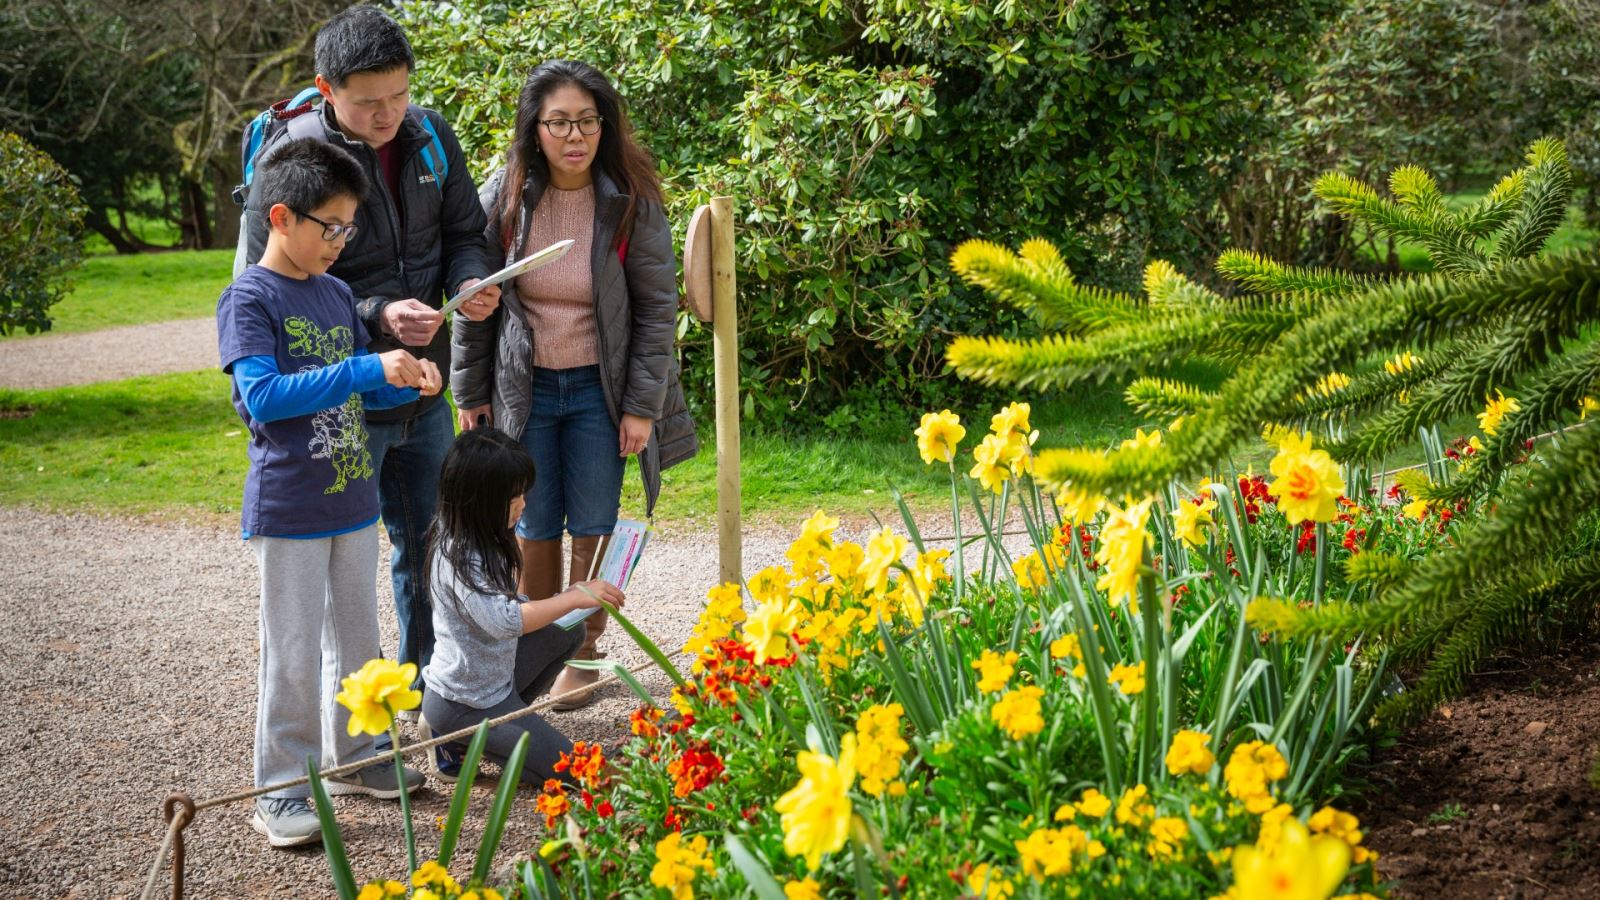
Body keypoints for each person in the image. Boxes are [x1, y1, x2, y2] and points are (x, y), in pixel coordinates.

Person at [243, 5, 499, 698]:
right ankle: (350, 721)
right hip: (342, 397)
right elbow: (273, 289)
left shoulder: (430, 135)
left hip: (424, 385)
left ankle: (422, 699)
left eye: (401, 94)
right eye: (368, 103)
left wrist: (470, 278)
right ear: (326, 89)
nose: (389, 114)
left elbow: (465, 232)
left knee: (431, 550)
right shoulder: (290, 159)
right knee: (344, 574)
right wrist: (377, 312)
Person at [452, 60, 698, 710]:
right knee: (531, 521)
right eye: (559, 121)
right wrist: (468, 392)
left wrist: (642, 407)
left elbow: (654, 310)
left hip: (601, 389)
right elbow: (477, 299)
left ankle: (582, 652)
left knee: (593, 520)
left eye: (587, 121)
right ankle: (537, 652)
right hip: (522, 388)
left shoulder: (629, 200)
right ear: (535, 129)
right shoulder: (504, 195)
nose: (574, 135)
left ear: (604, 125)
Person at [217, 138, 436, 848]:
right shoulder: (249, 295)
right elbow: (263, 396)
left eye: (349, 227)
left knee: (358, 642)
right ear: (281, 217)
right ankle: (280, 788)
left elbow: (356, 378)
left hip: (353, 498)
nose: (341, 242)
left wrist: (407, 376)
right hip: (291, 508)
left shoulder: (337, 293)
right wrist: (369, 368)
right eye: (329, 226)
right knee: (292, 651)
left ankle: (359, 756)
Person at [418, 428, 625, 783]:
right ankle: (454, 735)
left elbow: (510, 607)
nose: (523, 504)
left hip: (495, 684)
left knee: (567, 629)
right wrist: (574, 595)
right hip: (466, 702)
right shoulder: (457, 555)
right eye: (513, 497)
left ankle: (505, 728)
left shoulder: (482, 533)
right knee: (583, 774)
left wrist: (571, 601)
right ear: (478, 501)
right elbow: (506, 620)